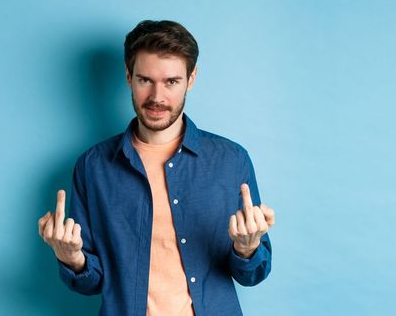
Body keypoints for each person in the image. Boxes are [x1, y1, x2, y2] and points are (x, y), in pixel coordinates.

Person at [37, 20, 275, 315]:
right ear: (128, 77)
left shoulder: (231, 160)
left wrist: (247, 248)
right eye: (145, 80)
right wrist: (71, 257)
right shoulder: (93, 167)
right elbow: (92, 283)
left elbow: (253, 274)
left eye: (171, 82)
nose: (157, 97)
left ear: (191, 78)